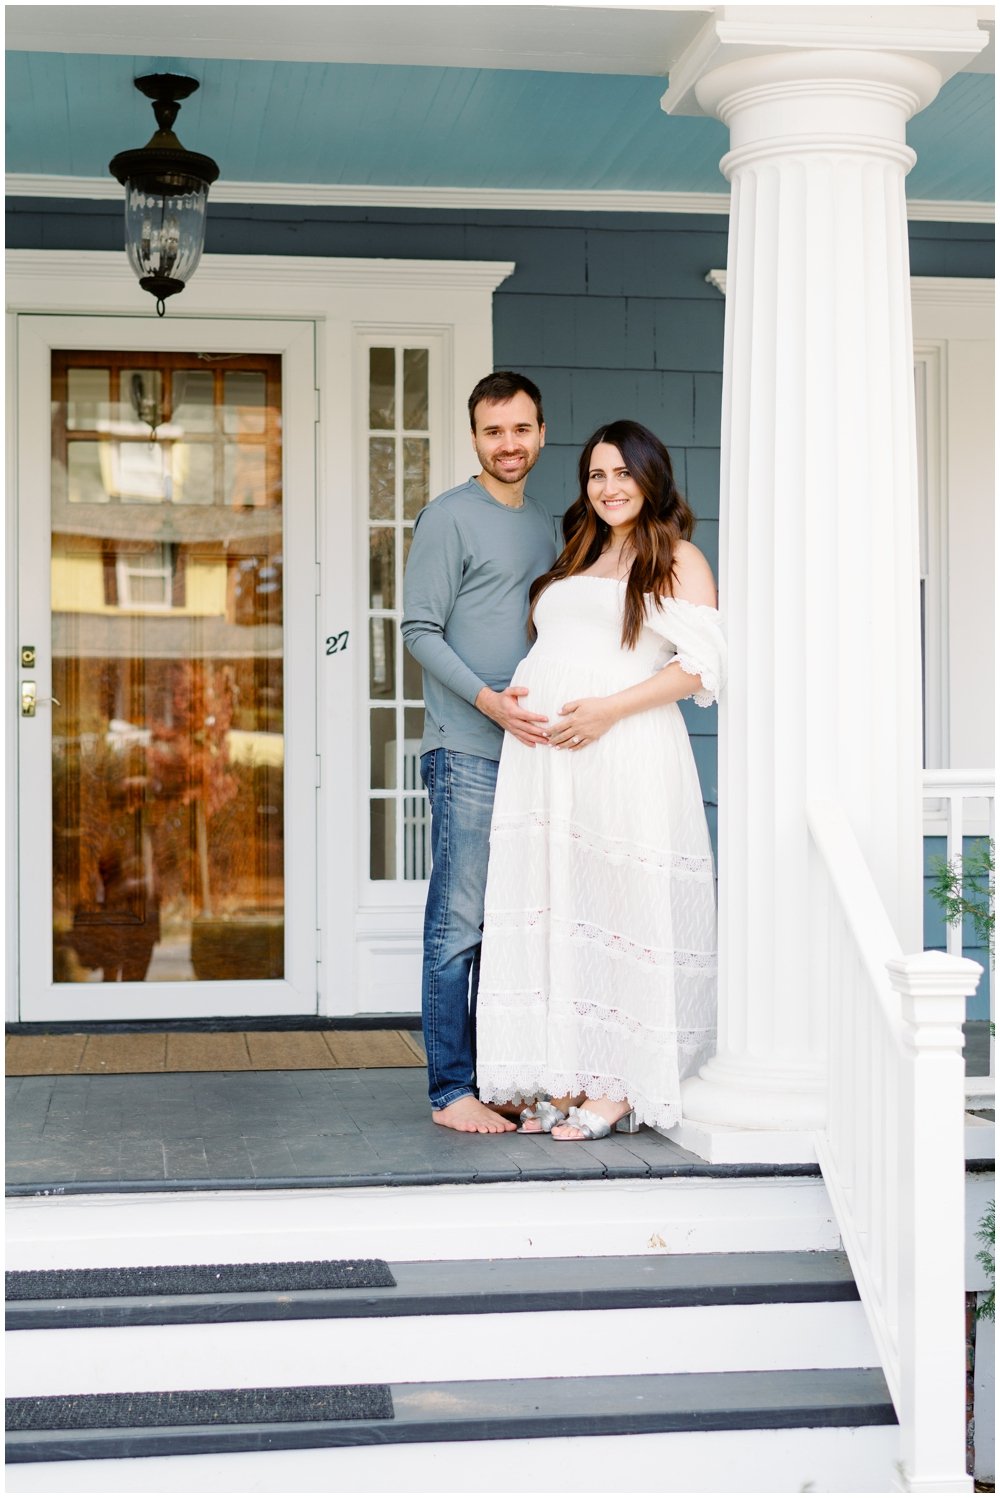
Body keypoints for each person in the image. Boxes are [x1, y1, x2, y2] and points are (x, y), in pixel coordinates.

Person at [475, 419, 726, 1140]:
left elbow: (701, 666)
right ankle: (573, 1073)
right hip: (547, 761)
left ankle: (620, 1086)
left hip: (622, 749)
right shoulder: (581, 551)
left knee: (620, 905)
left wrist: (609, 710)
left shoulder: (676, 558)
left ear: (652, 478)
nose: (609, 487)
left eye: (622, 473)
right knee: (561, 903)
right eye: (596, 475)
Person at [401, 372, 558, 1133]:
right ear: (474, 437)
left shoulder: (547, 526)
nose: (509, 444)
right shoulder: (449, 518)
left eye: (521, 429)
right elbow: (418, 631)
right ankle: (449, 1091)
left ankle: (500, 1075)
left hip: (536, 755)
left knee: (513, 925)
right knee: (457, 924)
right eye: (494, 431)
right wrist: (490, 701)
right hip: (467, 747)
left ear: (540, 433)